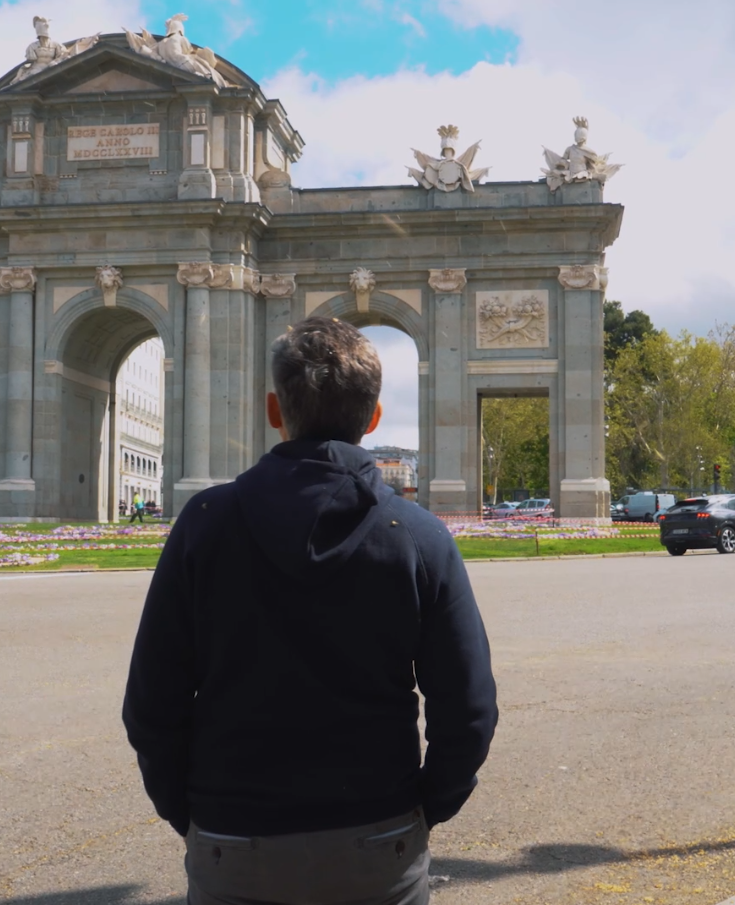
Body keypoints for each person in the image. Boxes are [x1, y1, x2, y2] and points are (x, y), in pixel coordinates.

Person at [123, 317, 498, 905]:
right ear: (373, 419)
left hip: (233, 835)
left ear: (275, 410)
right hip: (380, 835)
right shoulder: (420, 537)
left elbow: (152, 704)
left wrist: (193, 814)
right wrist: (425, 808)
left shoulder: (203, 524)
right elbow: (469, 708)